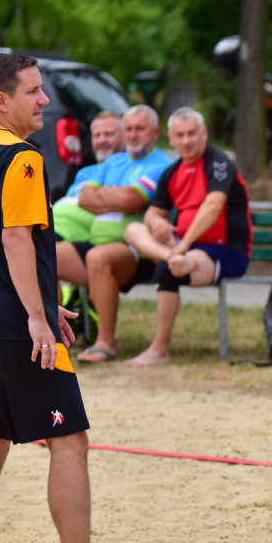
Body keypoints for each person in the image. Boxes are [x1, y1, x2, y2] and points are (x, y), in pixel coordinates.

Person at [0, 53, 137, 543]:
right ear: (1, 102)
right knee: (68, 439)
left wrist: (45, 300)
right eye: (33, 91)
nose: (45, 99)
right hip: (12, 324)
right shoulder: (21, 158)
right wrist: (36, 317)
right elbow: (14, 239)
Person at [123, 107, 251, 367]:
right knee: (133, 230)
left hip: (225, 251)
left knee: (171, 269)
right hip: (182, 249)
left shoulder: (219, 163)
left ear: (204, 133)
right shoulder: (172, 172)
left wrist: (183, 245)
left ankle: (159, 351)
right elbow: (151, 214)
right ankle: (173, 258)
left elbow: (212, 207)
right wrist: (157, 222)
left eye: (192, 133)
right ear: (170, 138)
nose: (186, 140)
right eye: (180, 135)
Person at [56, 105, 174, 363]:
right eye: (128, 129)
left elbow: (132, 197)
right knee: (42, 255)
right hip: (95, 240)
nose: (133, 134)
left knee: (99, 257)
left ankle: (105, 342)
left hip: (136, 248)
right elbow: (86, 198)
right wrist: (116, 197)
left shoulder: (162, 164)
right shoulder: (113, 161)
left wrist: (107, 196)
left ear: (155, 132)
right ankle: (54, 336)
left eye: (140, 129)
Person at [51, 111, 125, 244]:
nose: (102, 140)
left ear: (124, 137)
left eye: (109, 134)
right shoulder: (85, 172)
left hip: (75, 237)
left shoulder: (127, 169)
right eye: (97, 135)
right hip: (52, 227)